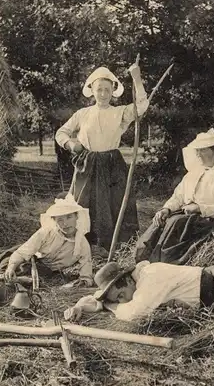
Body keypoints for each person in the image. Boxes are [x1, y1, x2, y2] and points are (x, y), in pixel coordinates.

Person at [55, 63, 149, 251]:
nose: (103, 94)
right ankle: (81, 245)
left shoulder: (119, 113)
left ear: (113, 91)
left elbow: (142, 105)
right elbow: (61, 132)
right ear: (92, 90)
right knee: (82, 203)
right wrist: (71, 144)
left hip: (112, 164)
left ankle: (114, 246)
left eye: (107, 90)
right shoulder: (83, 114)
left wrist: (137, 78)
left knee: (114, 203)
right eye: (99, 89)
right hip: (87, 165)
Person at [135, 129, 214, 265]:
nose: (198, 154)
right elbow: (178, 196)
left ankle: (163, 262)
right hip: (186, 217)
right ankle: (144, 261)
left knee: (176, 223)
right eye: (197, 150)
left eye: (202, 150)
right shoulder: (193, 174)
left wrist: (199, 208)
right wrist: (166, 209)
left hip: (211, 221)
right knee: (158, 224)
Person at [64, 260, 214, 323]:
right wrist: (79, 306)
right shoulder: (136, 285)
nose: (123, 301)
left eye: (121, 297)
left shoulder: (151, 278)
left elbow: (133, 314)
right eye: (117, 300)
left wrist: (111, 305)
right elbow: (95, 299)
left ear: (125, 282)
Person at [3, 194, 93, 287]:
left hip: (49, 273)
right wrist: (11, 268)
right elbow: (22, 253)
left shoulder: (82, 244)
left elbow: (86, 275)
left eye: (69, 217)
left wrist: (81, 283)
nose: (65, 224)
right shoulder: (46, 233)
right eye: (60, 220)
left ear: (76, 217)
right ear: (54, 221)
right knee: (6, 276)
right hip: (29, 262)